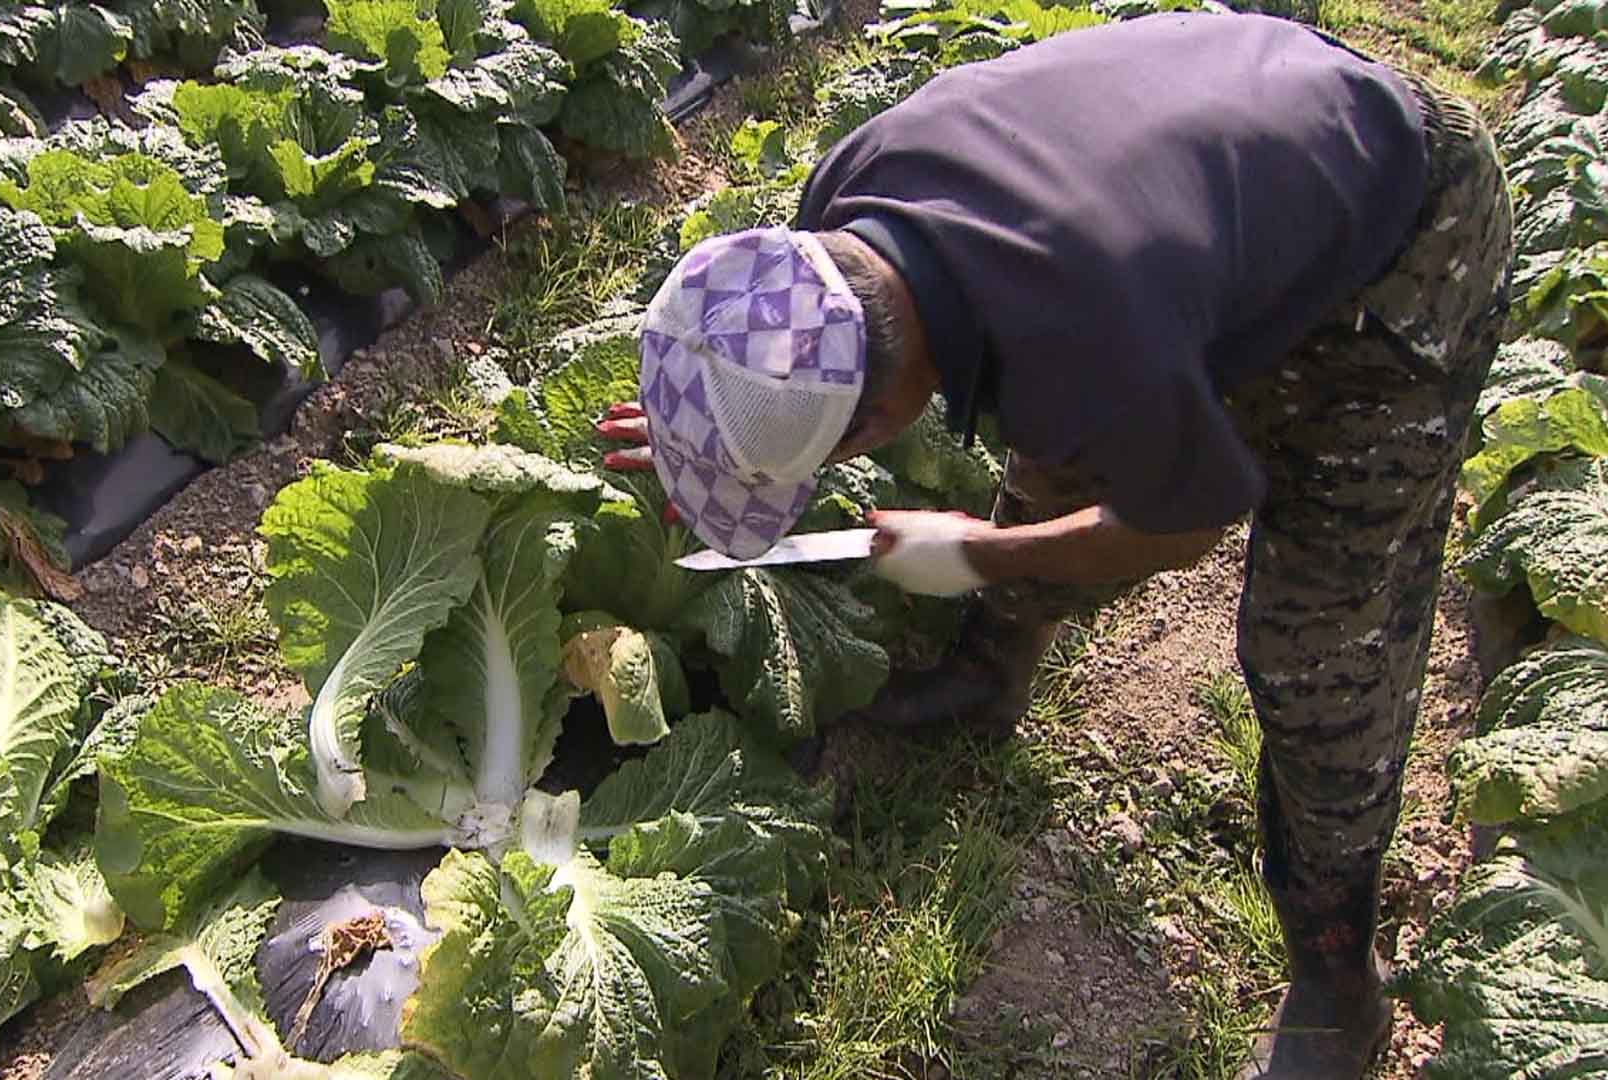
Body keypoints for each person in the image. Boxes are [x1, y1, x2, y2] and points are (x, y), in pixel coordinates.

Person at [595, 11, 1512, 1079]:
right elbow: (813, 337)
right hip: (1219, 165)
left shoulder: (1088, 336)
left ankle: (1335, 973)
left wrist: (980, 551)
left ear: (886, 416)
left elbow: (1176, 534)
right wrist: (701, 410)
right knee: (1057, 446)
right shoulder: (846, 204)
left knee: (1320, 639)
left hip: (1407, 232)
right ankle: (992, 678)